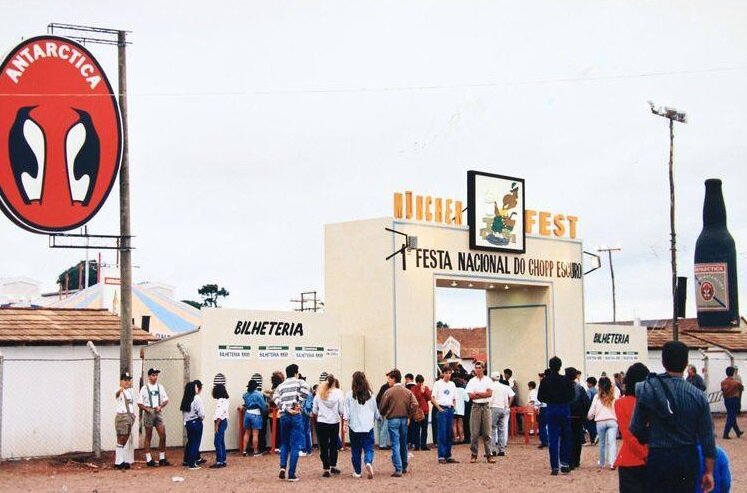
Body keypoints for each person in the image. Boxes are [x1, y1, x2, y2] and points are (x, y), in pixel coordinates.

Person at [630, 340, 716, 493]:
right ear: (686, 363)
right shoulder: (698, 396)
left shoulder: (647, 389)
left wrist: (652, 438)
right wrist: (709, 472)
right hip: (687, 456)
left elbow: (635, 427)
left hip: (659, 455)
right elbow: (708, 439)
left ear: (663, 361)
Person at [614, 362, 650, 493]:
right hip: (651, 458)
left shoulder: (619, 404)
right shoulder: (651, 402)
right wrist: (647, 454)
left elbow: (627, 435)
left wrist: (643, 454)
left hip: (628, 460)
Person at [273, 363, 311, 482]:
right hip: (296, 416)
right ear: (296, 373)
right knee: (295, 445)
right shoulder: (299, 382)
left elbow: (275, 397)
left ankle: (282, 467)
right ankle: (292, 474)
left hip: (284, 416)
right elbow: (307, 389)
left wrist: (285, 408)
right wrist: (297, 402)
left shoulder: (281, 385)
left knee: (284, 443)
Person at [378, 368, 419, 477]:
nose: (388, 381)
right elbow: (415, 404)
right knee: (403, 443)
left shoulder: (388, 392)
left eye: (389, 379)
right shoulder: (407, 391)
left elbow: (382, 407)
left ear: (393, 378)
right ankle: (404, 465)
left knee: (395, 444)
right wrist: (409, 415)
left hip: (393, 419)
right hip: (404, 419)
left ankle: (398, 468)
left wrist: (385, 413)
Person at [537, 356, 574, 475]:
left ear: (550, 366)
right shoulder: (566, 380)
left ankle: (554, 467)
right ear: (560, 366)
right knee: (566, 436)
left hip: (551, 408)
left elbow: (539, 397)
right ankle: (565, 463)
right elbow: (572, 395)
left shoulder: (545, 380)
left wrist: (549, 399)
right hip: (564, 408)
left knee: (553, 438)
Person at [344, 371, 379, 479]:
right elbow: (375, 411)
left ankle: (357, 472)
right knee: (369, 448)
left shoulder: (349, 395)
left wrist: (345, 423)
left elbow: (346, 412)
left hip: (354, 427)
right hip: (368, 427)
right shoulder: (371, 395)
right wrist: (377, 418)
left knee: (355, 450)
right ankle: (368, 462)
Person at [137, 368, 170, 467]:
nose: (155, 377)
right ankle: (149, 459)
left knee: (163, 435)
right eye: (153, 375)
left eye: (156, 375)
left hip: (158, 411)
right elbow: (139, 403)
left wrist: (161, 406)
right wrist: (147, 409)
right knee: (148, 435)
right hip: (149, 412)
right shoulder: (144, 388)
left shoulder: (160, 387)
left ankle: (162, 458)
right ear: (149, 376)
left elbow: (166, 400)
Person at [313, 373, 344, 477]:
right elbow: (341, 410)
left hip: (322, 422)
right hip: (334, 422)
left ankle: (326, 468)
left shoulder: (319, 393)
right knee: (334, 445)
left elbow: (314, 410)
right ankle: (333, 466)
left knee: (323, 445)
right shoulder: (339, 393)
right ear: (334, 382)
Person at [465, 361, 495, 463]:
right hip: (476, 407)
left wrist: (478, 393)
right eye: (476, 368)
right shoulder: (472, 381)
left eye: (479, 368)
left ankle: (489, 454)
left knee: (487, 432)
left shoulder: (488, 380)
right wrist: (483, 394)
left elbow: (489, 394)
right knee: (474, 433)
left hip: (486, 406)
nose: (477, 370)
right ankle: (474, 454)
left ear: (483, 369)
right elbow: (470, 395)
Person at [587, 376, 617, 470]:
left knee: (602, 443)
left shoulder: (597, 397)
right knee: (612, 442)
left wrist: (590, 417)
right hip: (612, 421)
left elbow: (591, 412)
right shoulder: (614, 396)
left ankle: (602, 462)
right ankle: (612, 463)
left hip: (600, 421)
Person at [431, 367, 459, 464]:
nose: (448, 375)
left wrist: (454, 407)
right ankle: (441, 455)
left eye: (450, 373)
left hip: (450, 408)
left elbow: (454, 397)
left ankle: (448, 454)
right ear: (443, 373)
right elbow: (433, 397)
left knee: (449, 433)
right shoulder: (438, 384)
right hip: (442, 409)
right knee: (442, 433)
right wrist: (439, 408)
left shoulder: (452, 384)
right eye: (446, 373)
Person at [566, 367, 590, 469]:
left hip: (566, 416)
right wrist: (584, 416)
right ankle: (576, 460)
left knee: (567, 438)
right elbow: (586, 402)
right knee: (577, 438)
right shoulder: (580, 388)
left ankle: (568, 460)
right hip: (578, 416)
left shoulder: (563, 388)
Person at [180, 380, 205, 470]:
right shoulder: (196, 398)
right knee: (195, 443)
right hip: (196, 422)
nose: (197, 388)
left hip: (188, 423)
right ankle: (192, 463)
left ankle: (187, 460)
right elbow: (201, 413)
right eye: (195, 387)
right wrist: (201, 418)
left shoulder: (186, 399)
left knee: (190, 442)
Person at [489, 370, 514, 457]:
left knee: (492, 429)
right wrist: (508, 405)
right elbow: (512, 395)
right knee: (501, 429)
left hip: (493, 408)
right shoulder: (505, 386)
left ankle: (492, 450)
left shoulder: (491, 386)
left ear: (492, 378)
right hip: (503, 408)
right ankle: (501, 449)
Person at [114, 372, 136, 470]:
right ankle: (118, 461)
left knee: (125, 438)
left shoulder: (128, 392)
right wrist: (121, 389)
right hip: (122, 416)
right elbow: (117, 394)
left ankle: (121, 460)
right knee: (121, 438)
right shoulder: (120, 390)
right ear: (121, 381)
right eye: (125, 380)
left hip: (129, 417)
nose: (127, 382)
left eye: (128, 380)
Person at [242, 379, 267, 457]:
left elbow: (245, 404)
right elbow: (263, 406)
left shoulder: (245, 395)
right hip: (256, 414)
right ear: (256, 387)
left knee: (247, 433)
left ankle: (244, 450)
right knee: (255, 434)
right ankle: (255, 451)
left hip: (247, 413)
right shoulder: (259, 395)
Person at [210, 373, 229, 468]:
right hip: (224, 421)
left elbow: (219, 414)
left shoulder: (220, 401)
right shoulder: (225, 400)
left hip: (220, 422)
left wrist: (216, 424)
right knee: (221, 441)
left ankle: (219, 461)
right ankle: (223, 459)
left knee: (217, 441)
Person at [721, 366, 744, 439]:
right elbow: (742, 388)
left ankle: (738, 432)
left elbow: (723, 390)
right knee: (731, 416)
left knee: (731, 415)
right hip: (734, 400)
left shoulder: (723, 382)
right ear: (733, 373)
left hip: (726, 400)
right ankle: (725, 433)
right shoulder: (736, 383)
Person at [410, 375, 431, 450]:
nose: (421, 384)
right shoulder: (413, 389)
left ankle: (423, 444)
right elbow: (414, 399)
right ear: (417, 382)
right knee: (417, 429)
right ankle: (417, 445)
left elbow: (429, 397)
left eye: (422, 382)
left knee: (424, 429)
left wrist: (424, 392)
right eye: (419, 383)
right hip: (417, 411)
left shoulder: (426, 388)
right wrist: (421, 393)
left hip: (425, 410)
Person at [375, 377, 392, 449]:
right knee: (384, 428)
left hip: (380, 409)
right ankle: (382, 444)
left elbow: (378, 399)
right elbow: (382, 401)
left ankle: (381, 444)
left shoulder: (384, 387)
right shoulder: (387, 388)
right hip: (384, 411)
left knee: (381, 428)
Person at [300, 383, 315, 456]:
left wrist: (304, 411)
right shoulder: (310, 394)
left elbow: (305, 406)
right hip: (308, 414)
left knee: (302, 432)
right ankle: (308, 450)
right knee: (307, 432)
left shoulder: (305, 395)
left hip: (303, 414)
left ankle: (304, 449)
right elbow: (310, 405)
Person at [452, 377, 468, 444]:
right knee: (460, 424)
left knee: (454, 424)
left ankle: (455, 438)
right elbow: (467, 399)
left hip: (453, 408)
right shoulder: (463, 390)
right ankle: (461, 438)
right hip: (461, 409)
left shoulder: (452, 390)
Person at [585, 376, 598, 444]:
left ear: (591, 383)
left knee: (590, 425)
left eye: (588, 383)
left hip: (590, 409)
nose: (587, 384)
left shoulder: (589, 391)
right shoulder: (597, 390)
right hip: (596, 409)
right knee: (594, 424)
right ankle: (594, 438)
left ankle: (594, 438)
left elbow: (588, 400)